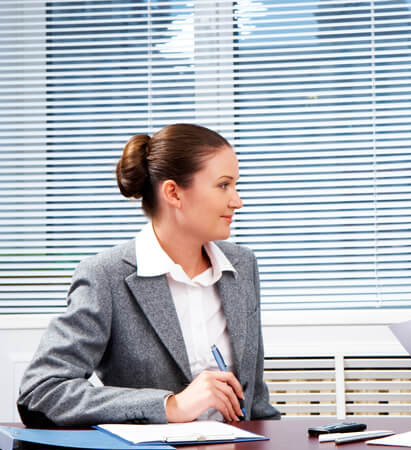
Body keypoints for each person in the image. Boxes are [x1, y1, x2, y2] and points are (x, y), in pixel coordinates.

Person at [17, 123, 280, 426]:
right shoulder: (107, 276)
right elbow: (41, 391)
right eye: (223, 185)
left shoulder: (242, 267)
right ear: (173, 193)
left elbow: (257, 404)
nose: (237, 200)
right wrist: (170, 405)